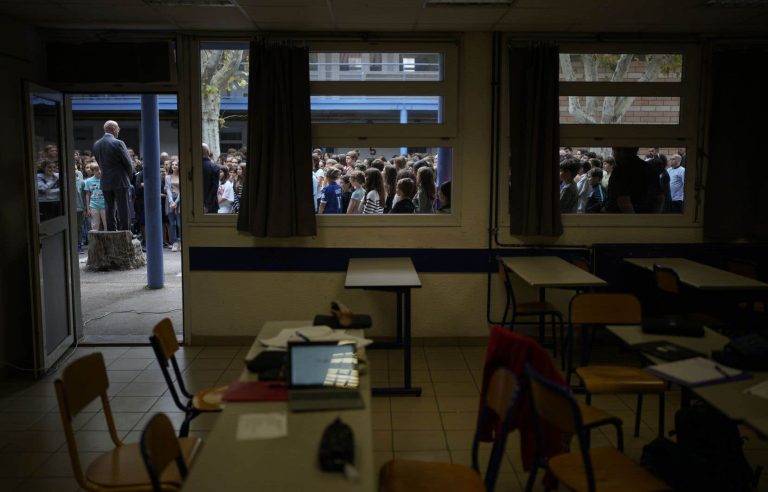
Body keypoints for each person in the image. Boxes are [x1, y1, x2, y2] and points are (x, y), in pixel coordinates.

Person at [92, 120, 133, 231]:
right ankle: (125, 232)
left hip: (105, 180)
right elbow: (129, 164)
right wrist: (128, 177)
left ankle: (111, 232)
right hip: (120, 180)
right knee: (123, 208)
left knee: (109, 208)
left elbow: (99, 163)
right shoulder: (118, 143)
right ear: (113, 129)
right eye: (118, 128)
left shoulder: (97, 144)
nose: (119, 130)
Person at [604, 147, 647, 213]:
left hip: (621, 218)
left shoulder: (620, 170)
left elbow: (623, 201)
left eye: (613, 150)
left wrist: (634, 221)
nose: (613, 154)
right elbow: (659, 198)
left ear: (621, 151)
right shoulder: (647, 167)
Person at [84, 163, 106, 231]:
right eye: (96, 170)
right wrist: (88, 208)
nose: (99, 171)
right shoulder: (88, 181)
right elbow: (87, 194)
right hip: (93, 206)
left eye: (100, 169)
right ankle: (94, 241)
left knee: (107, 225)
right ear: (92, 171)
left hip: (105, 205)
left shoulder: (106, 179)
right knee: (94, 226)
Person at [165, 159, 181, 251]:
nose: (174, 166)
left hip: (179, 199)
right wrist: (171, 201)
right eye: (173, 165)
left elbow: (182, 190)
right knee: (172, 223)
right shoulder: (168, 177)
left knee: (179, 223)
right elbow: (167, 189)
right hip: (170, 199)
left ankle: (181, 241)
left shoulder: (181, 176)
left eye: (176, 165)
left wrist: (176, 202)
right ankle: (174, 242)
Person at [202, 143, 221, 214]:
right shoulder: (214, 167)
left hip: (194, 204)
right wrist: (206, 205)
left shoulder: (192, 167)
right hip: (211, 205)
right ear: (208, 152)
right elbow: (214, 187)